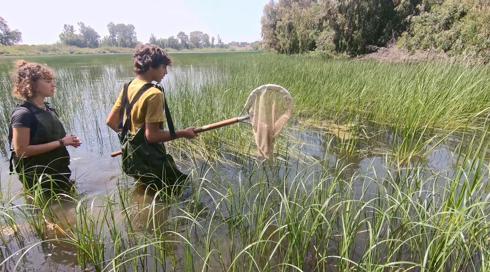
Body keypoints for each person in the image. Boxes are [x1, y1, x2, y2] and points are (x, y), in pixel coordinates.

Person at [106, 44, 196, 192]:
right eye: (163, 67)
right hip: (151, 160)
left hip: (133, 159)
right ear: (152, 66)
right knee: (177, 191)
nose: (166, 72)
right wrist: (183, 133)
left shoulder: (129, 86)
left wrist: (132, 141)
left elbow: (111, 122)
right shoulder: (154, 94)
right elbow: (152, 136)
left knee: (147, 191)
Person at [9, 60, 81, 195]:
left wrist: (68, 140)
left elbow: (48, 138)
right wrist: (61, 142)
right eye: (48, 81)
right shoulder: (23, 114)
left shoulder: (47, 109)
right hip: (40, 179)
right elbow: (21, 151)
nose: (53, 84)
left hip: (58, 172)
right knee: (48, 209)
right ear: (31, 85)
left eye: (52, 80)